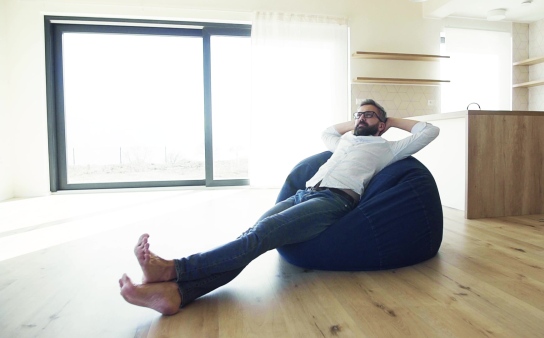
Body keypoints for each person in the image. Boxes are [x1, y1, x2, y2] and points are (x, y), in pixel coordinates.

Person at [119, 99, 440, 315]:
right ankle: (176, 294)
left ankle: (175, 269)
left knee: (256, 238)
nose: (360, 118)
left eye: (368, 115)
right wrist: (361, 118)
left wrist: (388, 119)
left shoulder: (387, 149)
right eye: (358, 114)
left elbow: (430, 130)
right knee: (253, 236)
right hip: (304, 194)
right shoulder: (344, 141)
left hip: (334, 200)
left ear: (382, 125)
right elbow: (327, 131)